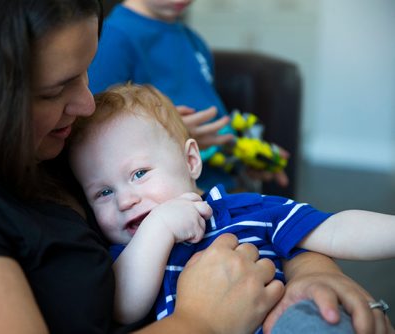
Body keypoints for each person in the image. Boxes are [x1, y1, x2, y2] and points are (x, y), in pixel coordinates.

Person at [0, 1, 390, 334]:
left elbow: (302, 225)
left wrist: (309, 269)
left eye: (87, 72)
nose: (86, 105)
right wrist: (200, 320)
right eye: (55, 89)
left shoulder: (53, 147)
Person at [67, 83, 395, 332]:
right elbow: (124, 307)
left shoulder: (245, 209)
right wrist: (159, 227)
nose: (125, 200)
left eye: (140, 174)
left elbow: (335, 230)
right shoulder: (124, 256)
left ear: (191, 161)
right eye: (104, 192)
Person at [87, 0, 289, 192]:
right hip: (177, 194)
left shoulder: (193, 40)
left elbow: (215, 119)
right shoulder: (114, 37)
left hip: (221, 184)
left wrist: (244, 158)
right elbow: (94, 133)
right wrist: (172, 134)